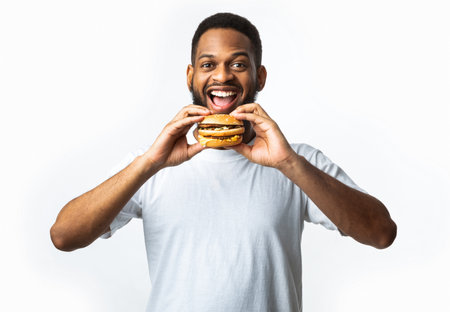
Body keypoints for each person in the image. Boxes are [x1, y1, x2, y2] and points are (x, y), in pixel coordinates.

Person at [50, 12, 397, 312]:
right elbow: (64, 236)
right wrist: (149, 164)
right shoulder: (152, 163)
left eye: (238, 64)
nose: (222, 76)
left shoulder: (298, 160)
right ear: (190, 77)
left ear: (259, 77)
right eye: (208, 65)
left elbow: (381, 233)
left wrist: (289, 163)